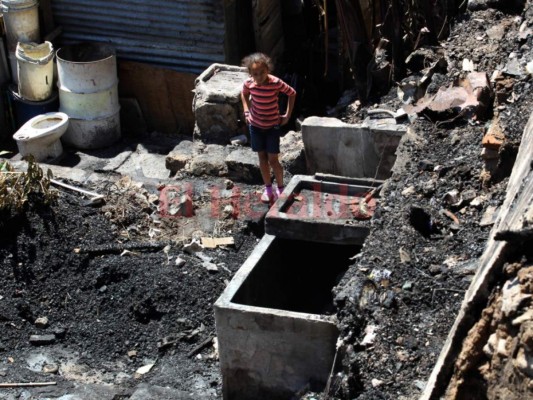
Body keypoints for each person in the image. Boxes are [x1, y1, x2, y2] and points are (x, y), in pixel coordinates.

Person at [240, 52, 297, 203]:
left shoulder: (275, 83)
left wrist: (287, 115)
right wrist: (246, 111)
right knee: (262, 158)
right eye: (255, 74)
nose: (259, 77)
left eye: (262, 73)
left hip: (272, 126)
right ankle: (268, 189)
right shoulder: (248, 83)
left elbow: (292, 93)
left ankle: (280, 188)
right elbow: (244, 94)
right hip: (256, 126)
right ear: (251, 74)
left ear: (268, 70)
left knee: (273, 159)